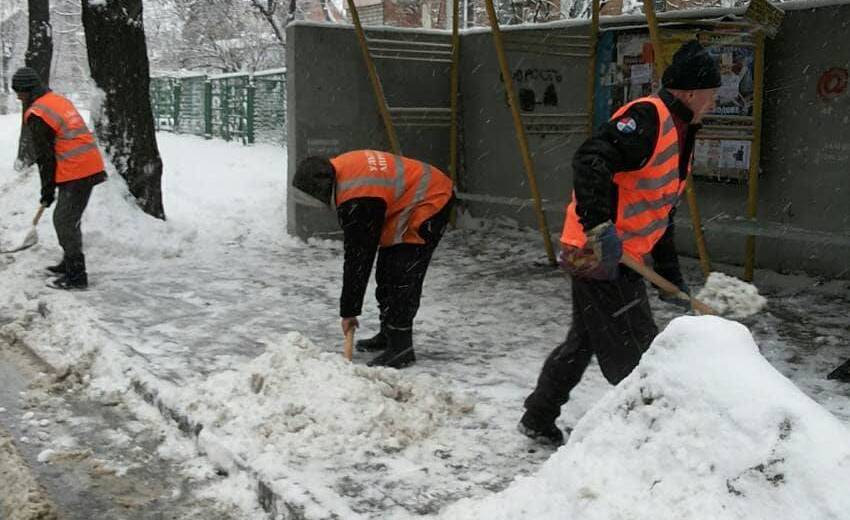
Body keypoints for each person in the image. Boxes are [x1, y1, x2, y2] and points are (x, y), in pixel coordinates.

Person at [518, 40, 721, 445]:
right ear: (691, 92)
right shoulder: (648, 117)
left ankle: (538, 416)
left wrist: (672, 279)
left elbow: (661, 211)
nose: (715, 103)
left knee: (584, 340)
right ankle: (643, 442)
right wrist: (599, 227)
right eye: (712, 95)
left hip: (625, 254)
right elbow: (590, 159)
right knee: (637, 352)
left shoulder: (683, 133)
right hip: (595, 252)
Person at [292, 150, 454, 368]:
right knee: (386, 268)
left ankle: (402, 348)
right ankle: (388, 334)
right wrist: (350, 308)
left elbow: (359, 257)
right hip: (409, 200)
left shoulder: (357, 197)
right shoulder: (341, 171)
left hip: (431, 198)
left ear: (321, 188)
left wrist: (349, 311)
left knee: (402, 271)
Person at [11, 67, 107, 290]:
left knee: (63, 221)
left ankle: (76, 277)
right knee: (69, 220)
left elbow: (45, 158)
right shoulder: (56, 100)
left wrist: (47, 190)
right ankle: (68, 263)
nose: (17, 97)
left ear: (29, 91)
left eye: (19, 92)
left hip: (78, 170)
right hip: (87, 165)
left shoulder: (38, 114)